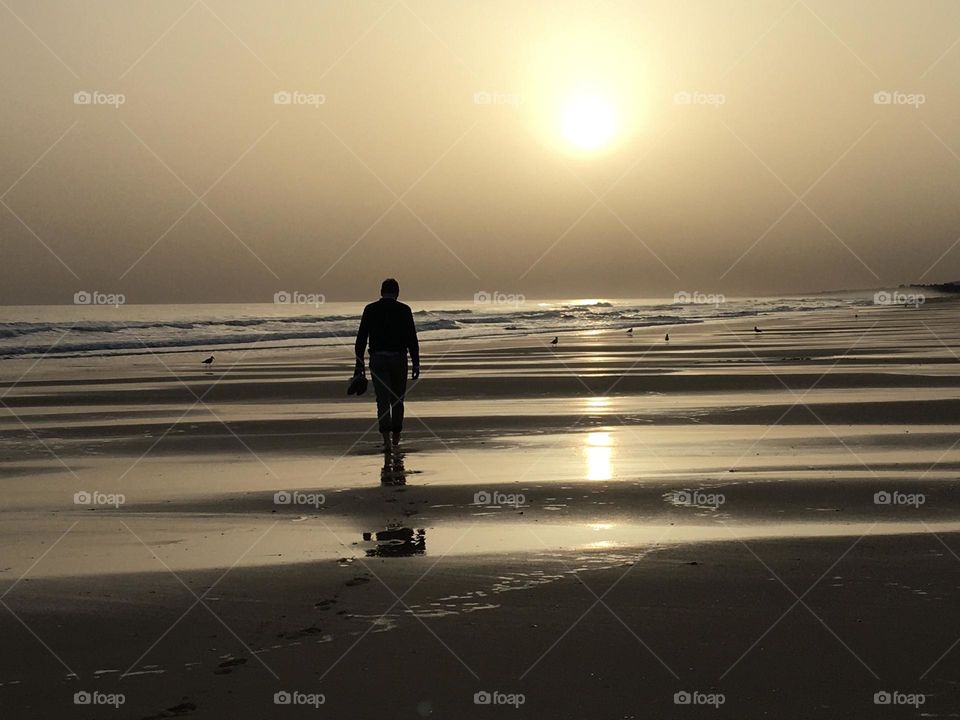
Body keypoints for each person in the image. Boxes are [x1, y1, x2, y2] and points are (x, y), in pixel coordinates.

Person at [354, 278, 420, 449]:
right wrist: (416, 363)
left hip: (378, 359)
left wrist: (359, 365)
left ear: (381, 292)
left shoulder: (370, 309)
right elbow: (412, 339)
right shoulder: (404, 310)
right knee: (397, 399)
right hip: (399, 358)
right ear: (397, 292)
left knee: (382, 399)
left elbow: (361, 339)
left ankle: (386, 440)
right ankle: (397, 437)